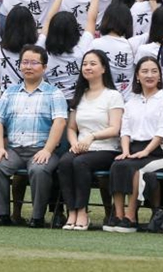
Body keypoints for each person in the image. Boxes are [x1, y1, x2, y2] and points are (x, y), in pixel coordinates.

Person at [0, 44, 68, 228]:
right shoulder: (10, 92)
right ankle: (1, 215)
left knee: (39, 170)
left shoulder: (54, 93)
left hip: (42, 149)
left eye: (34, 63)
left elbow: (60, 123)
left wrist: (47, 150)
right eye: (25, 62)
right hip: (15, 150)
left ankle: (37, 217)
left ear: (44, 67)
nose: (28, 67)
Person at [105, 57, 163, 233]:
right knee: (118, 164)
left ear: (160, 76)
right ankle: (118, 216)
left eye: (154, 71)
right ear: (137, 76)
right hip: (134, 150)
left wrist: (146, 151)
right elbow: (125, 130)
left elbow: (162, 132)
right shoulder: (132, 101)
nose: (149, 75)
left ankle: (131, 217)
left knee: (137, 170)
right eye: (144, 71)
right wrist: (125, 151)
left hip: (159, 152)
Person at [57, 49, 124, 230]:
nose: (88, 67)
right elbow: (71, 128)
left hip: (106, 148)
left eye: (93, 64)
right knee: (64, 162)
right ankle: (72, 211)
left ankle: (82, 212)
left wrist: (92, 137)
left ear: (103, 68)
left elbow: (115, 128)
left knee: (80, 163)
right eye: (85, 64)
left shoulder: (113, 96)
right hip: (81, 148)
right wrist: (74, 144)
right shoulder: (80, 95)